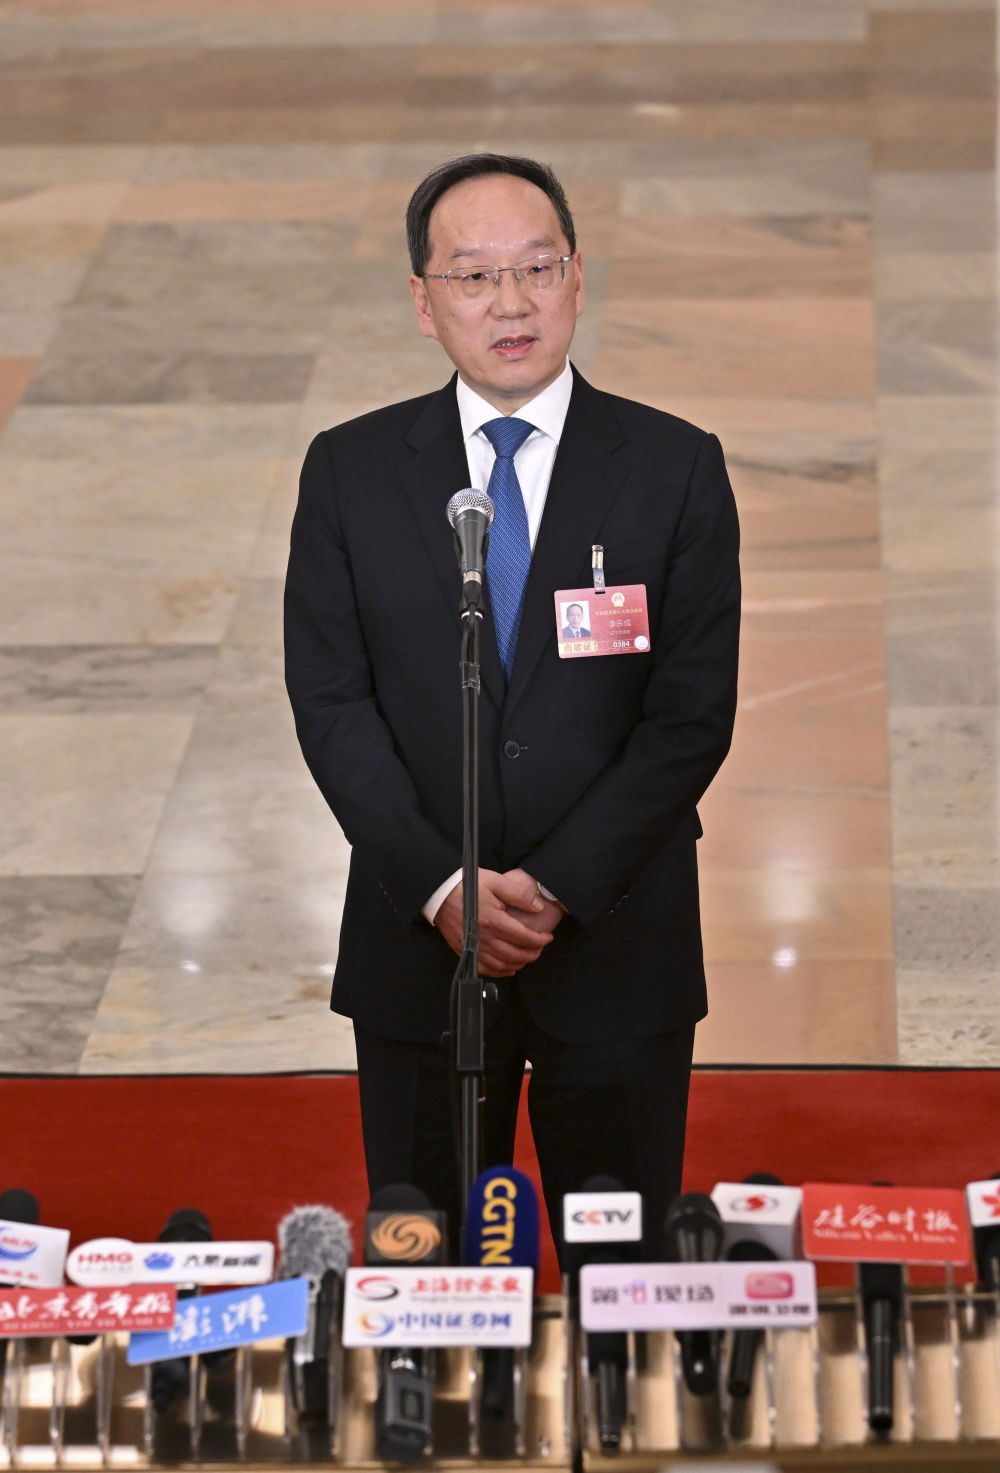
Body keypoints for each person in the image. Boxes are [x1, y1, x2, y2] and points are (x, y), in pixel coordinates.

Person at [284, 153, 740, 1258]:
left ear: (577, 277)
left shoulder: (673, 467)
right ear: (423, 301)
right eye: (474, 275)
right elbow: (332, 702)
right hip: (418, 952)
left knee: (621, 1274)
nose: (511, 302)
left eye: (536, 267)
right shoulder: (349, 471)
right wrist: (444, 886)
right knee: (426, 1267)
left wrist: (555, 886)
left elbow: (689, 714)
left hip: (616, 943)